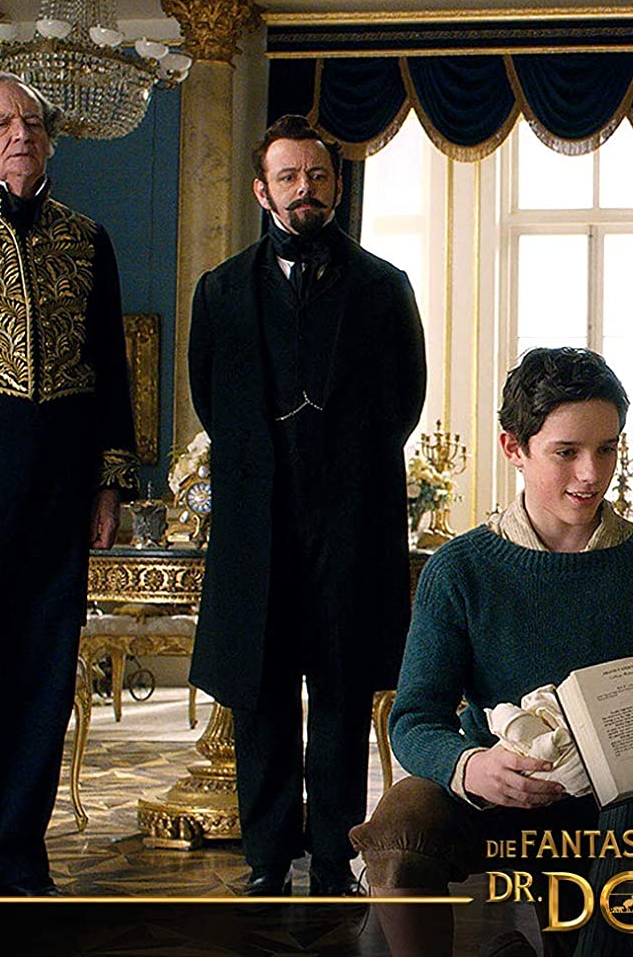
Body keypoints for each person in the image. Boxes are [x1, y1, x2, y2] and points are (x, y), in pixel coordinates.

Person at [350, 346, 633, 957]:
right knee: (403, 823)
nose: (592, 474)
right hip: (495, 792)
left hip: (621, 809)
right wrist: (470, 767)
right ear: (513, 448)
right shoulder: (459, 570)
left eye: (607, 449)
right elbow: (414, 718)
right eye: (566, 452)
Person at [187, 114, 426, 896]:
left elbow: (407, 399)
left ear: (337, 186)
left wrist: (344, 466)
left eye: (317, 176)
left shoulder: (385, 287)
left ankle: (331, 859)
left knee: (340, 695)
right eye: (288, 177)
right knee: (259, 694)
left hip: (351, 523)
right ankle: (265, 859)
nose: (305, 189)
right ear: (262, 191)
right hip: (256, 526)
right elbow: (210, 398)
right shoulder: (220, 290)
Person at [0, 72, 136, 895]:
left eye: (32, 123)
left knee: (41, 681)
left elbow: (112, 370)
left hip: (59, 486)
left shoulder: (86, 238)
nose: (21, 134)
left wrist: (108, 485)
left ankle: (17, 855)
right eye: (2, 124)